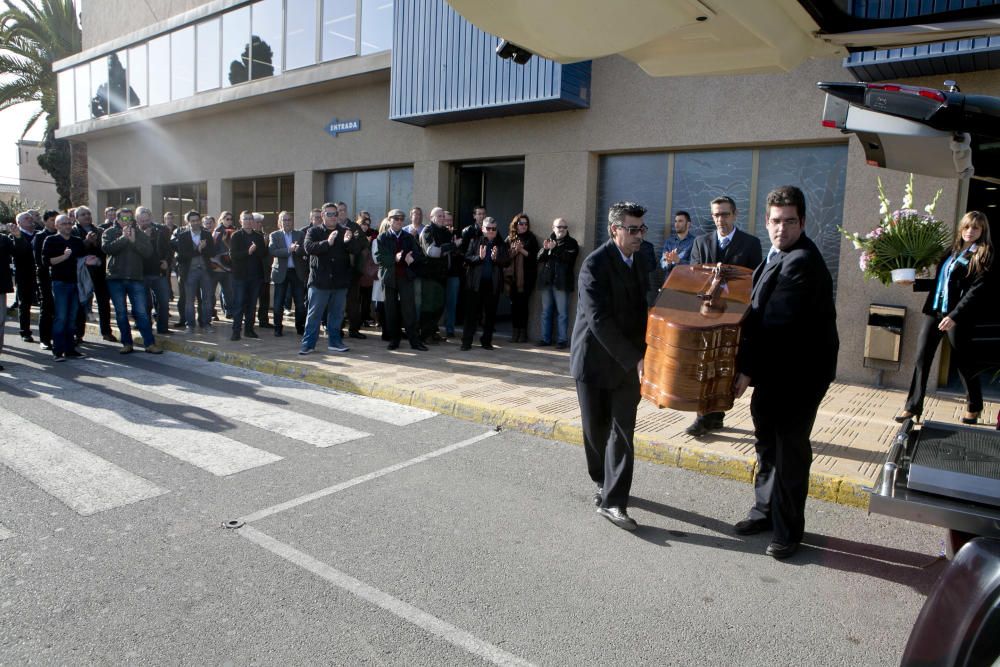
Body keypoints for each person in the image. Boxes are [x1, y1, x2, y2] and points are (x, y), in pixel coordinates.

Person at [732, 185, 837, 560]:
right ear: (766, 221)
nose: (781, 228)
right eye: (775, 221)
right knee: (766, 444)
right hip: (775, 370)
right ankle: (764, 512)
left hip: (800, 375)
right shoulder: (776, 254)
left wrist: (745, 369)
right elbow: (754, 307)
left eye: (789, 221)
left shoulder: (802, 260)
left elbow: (774, 320)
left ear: (803, 222)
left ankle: (788, 531)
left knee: (789, 452)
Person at [571, 201, 650, 531]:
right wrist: (636, 358)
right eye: (632, 229)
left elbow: (648, 305)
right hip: (593, 361)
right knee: (595, 431)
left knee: (622, 432)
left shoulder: (643, 257)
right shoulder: (594, 265)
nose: (639, 236)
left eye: (641, 229)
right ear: (614, 229)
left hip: (628, 365)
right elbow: (598, 320)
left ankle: (614, 501)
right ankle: (602, 479)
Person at [896, 211, 994, 425]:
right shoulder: (952, 250)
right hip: (935, 310)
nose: (970, 231)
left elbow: (976, 290)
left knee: (963, 362)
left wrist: (954, 316)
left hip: (958, 315)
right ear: (961, 228)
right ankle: (912, 407)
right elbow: (941, 283)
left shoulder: (983, 254)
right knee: (922, 357)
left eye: (976, 228)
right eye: (967, 226)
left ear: (982, 231)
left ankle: (974, 407)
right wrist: (913, 283)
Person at [686, 195, 763, 437]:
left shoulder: (751, 244)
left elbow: (754, 280)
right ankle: (702, 416)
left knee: (726, 367)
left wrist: (728, 280)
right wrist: (712, 278)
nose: (721, 219)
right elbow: (694, 275)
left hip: (735, 317)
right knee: (704, 365)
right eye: (716, 215)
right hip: (707, 317)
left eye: (725, 214)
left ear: (735, 214)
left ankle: (716, 415)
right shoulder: (701, 242)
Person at [102, 207, 163, 354]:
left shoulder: (140, 234)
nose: (127, 221)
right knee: (121, 312)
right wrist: (124, 238)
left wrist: (134, 241)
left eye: (130, 218)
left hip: (136, 278)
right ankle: (127, 343)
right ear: (117, 220)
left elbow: (148, 253)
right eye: (124, 218)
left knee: (141, 312)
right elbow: (107, 249)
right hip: (116, 278)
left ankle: (149, 343)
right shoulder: (109, 232)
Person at [299, 202, 358, 354]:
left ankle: (335, 342)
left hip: (339, 281)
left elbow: (356, 250)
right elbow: (308, 248)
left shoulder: (345, 231)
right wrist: (328, 242)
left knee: (337, 315)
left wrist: (348, 241)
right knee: (314, 315)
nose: (333, 217)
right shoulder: (313, 231)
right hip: (320, 281)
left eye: (335, 214)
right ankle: (308, 344)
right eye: (329, 214)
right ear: (323, 216)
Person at [42, 215, 96, 361]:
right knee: (61, 317)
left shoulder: (76, 241)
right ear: (57, 226)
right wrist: (64, 257)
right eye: (64, 223)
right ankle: (58, 351)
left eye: (69, 223)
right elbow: (46, 262)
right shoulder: (51, 240)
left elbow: (82, 258)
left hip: (75, 283)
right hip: (60, 283)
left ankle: (70, 349)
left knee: (72, 318)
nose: (68, 226)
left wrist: (90, 261)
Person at [375, 209, 427, 351]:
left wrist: (412, 259)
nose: (399, 221)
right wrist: (394, 258)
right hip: (390, 278)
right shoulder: (382, 237)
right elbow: (380, 258)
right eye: (396, 218)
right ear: (389, 220)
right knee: (391, 310)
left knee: (409, 310)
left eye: (401, 218)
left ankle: (414, 342)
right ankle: (394, 340)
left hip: (405, 277)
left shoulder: (408, 237)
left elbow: (419, 255)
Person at [461, 217, 510, 351]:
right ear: (483, 229)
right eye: (488, 228)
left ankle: (486, 341)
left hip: (492, 284)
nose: (491, 231)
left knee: (490, 314)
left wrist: (496, 258)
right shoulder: (475, 241)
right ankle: (466, 342)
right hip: (475, 284)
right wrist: (479, 258)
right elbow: (467, 258)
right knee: (471, 314)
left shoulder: (501, 243)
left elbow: (506, 261)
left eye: (493, 229)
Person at [537, 217, 580, 348]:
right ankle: (545, 339)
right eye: (559, 227)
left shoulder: (572, 243)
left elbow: (568, 259)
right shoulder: (548, 241)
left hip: (562, 283)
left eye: (564, 227)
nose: (561, 229)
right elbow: (539, 258)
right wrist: (545, 249)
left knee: (562, 314)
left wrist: (554, 249)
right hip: (547, 282)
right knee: (546, 312)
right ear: (553, 228)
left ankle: (562, 340)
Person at [172, 210, 216, 334]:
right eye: (193, 221)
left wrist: (204, 249)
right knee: (189, 300)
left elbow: (212, 253)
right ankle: (190, 325)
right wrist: (198, 249)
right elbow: (181, 257)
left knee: (207, 299)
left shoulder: (207, 234)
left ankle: (206, 323)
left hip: (205, 271)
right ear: (188, 222)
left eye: (197, 220)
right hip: (190, 271)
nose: (195, 223)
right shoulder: (183, 236)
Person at [228, 211, 268, 341]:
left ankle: (249, 330)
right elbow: (233, 256)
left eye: (251, 219)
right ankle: (236, 331)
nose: (248, 221)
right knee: (239, 304)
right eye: (245, 219)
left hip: (255, 276)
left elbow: (263, 254)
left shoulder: (258, 236)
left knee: (252, 305)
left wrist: (261, 247)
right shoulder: (236, 236)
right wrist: (248, 252)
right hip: (240, 276)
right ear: (240, 221)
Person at [418, 207, 455, 343]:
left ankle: (433, 332)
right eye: (438, 216)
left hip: (443, 275)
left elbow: (448, 251)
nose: (442, 218)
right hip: (430, 275)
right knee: (429, 306)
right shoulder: (427, 231)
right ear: (431, 217)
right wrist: (451, 246)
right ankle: (425, 335)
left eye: (443, 216)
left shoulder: (445, 231)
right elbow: (432, 252)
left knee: (439, 306)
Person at [269, 210, 308, 337]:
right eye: (284, 220)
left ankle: (300, 327)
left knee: (299, 303)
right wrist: (288, 250)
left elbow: (305, 251)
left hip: (296, 272)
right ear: (280, 222)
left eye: (289, 220)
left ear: (292, 221)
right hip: (281, 272)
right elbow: (273, 251)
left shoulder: (300, 234)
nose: (287, 222)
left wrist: (298, 250)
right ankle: (277, 328)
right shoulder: (274, 235)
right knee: (278, 302)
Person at [136, 206, 173, 335]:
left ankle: (163, 328)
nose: (145, 223)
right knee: (145, 304)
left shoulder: (161, 230)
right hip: (141, 273)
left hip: (159, 272)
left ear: (151, 218)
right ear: (137, 220)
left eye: (147, 220)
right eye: (142, 221)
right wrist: (144, 237)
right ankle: (146, 327)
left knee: (163, 302)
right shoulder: (133, 232)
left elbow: (169, 249)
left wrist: (167, 262)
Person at [505, 213, 539, 342]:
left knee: (523, 305)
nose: (524, 226)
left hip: (526, 278)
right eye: (521, 223)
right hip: (513, 278)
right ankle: (515, 332)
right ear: (516, 225)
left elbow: (535, 258)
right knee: (514, 306)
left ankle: (523, 333)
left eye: (526, 224)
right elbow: (505, 256)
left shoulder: (531, 238)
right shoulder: (510, 238)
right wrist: (514, 251)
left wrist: (521, 250)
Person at [33, 210, 58, 350]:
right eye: (52, 220)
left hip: (61, 277)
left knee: (59, 309)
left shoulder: (62, 235)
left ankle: (59, 337)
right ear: (45, 221)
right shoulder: (40, 236)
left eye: (56, 220)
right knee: (47, 308)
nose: (54, 223)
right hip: (45, 277)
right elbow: (39, 260)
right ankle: (45, 339)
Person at [11, 212, 37, 342]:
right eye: (26, 218)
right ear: (19, 223)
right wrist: (18, 237)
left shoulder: (39, 234)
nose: (30, 220)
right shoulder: (13, 236)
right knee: (25, 304)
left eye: (31, 218)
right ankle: (25, 332)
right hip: (24, 274)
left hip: (40, 272)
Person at [660, 210, 695, 277]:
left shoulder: (695, 242)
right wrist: (668, 262)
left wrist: (679, 261)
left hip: (685, 284)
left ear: (688, 224)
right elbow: (662, 263)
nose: (676, 224)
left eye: (680, 221)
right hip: (669, 284)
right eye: (675, 221)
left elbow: (694, 266)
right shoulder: (669, 242)